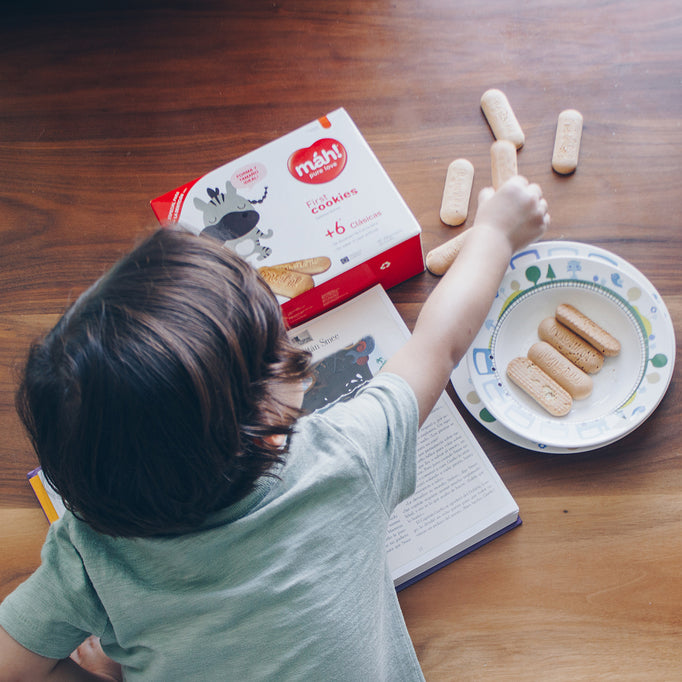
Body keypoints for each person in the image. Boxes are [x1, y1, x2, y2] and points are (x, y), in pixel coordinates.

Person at [0, 175, 548, 681]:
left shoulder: (88, 558)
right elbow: (440, 342)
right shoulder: (344, 458)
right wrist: (496, 233)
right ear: (263, 428)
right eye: (281, 346)